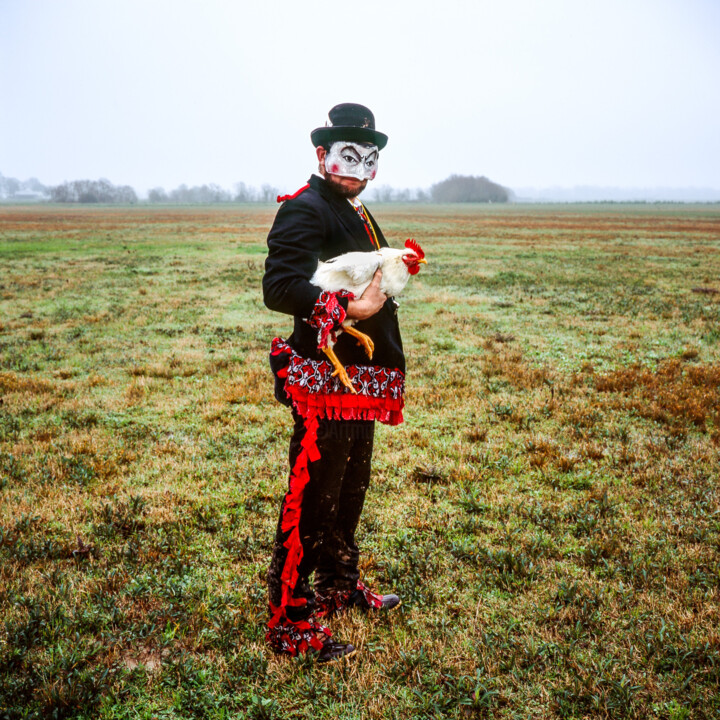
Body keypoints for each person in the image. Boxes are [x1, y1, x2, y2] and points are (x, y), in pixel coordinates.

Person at [262, 103, 405, 662]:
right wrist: (346, 304)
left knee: (349, 487)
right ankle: (289, 618)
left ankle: (338, 584)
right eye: (348, 155)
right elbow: (278, 287)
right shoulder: (305, 208)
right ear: (322, 156)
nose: (358, 166)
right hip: (324, 377)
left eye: (368, 158)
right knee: (314, 492)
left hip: (361, 379)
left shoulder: (358, 210)